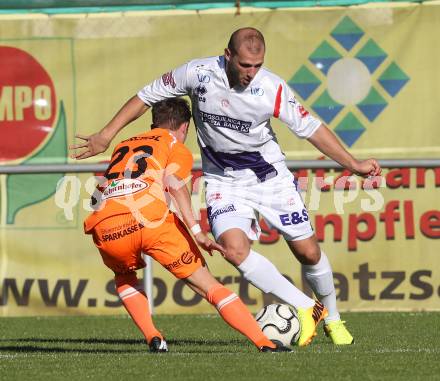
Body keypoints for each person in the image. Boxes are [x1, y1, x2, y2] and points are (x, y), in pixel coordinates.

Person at [71, 28, 382, 346]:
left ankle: (332, 318)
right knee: (234, 250)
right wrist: (106, 134)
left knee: (308, 251)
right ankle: (306, 307)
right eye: (246, 65)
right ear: (228, 55)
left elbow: (311, 127)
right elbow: (145, 96)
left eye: (258, 65)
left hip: (269, 177)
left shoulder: (271, 87)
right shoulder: (197, 73)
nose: (251, 73)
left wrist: (352, 164)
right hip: (222, 181)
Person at [82, 97, 291, 353]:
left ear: (152, 124)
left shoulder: (124, 145)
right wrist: (197, 231)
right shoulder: (174, 145)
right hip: (152, 222)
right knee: (208, 286)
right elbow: (175, 184)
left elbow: (98, 194)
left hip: (105, 222)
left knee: (124, 276)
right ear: (185, 128)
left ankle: (153, 337)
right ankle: (264, 343)